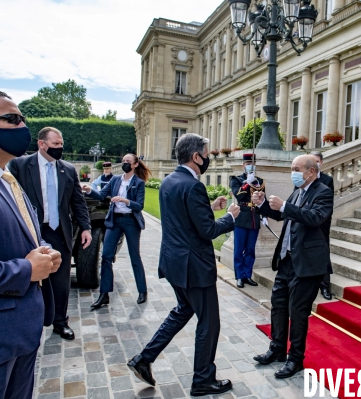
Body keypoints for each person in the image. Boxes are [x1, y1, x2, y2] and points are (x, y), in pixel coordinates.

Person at [127, 133, 240, 396]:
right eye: (206, 152)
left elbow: (185, 218)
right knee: (209, 323)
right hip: (194, 267)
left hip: (174, 262)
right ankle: (202, 380)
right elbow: (208, 231)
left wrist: (209, 206)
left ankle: (144, 359)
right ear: (196, 156)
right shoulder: (193, 185)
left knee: (182, 311)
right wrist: (231, 217)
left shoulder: (169, 181)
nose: (209, 157)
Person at [0, 90, 61, 398]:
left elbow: (23, 232)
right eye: (12, 119)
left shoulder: (3, 175)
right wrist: (27, 269)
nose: (22, 127)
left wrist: (44, 249)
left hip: (18, 334)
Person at [251, 154, 333, 379]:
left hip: (307, 264)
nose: (293, 173)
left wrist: (286, 205)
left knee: (297, 313)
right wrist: (263, 205)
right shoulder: (299, 191)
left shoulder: (323, 192)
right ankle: (277, 349)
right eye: (292, 168)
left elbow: (315, 217)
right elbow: (282, 214)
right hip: (287, 260)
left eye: (297, 168)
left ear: (311, 172)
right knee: (278, 306)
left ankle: (295, 359)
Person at [9, 126, 91, 340]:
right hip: (31, 232)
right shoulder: (19, 165)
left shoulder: (67, 169)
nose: (60, 148)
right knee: (30, 277)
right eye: (55, 144)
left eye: (61, 144)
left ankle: (60, 322)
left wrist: (86, 227)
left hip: (59, 231)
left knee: (61, 281)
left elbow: (77, 201)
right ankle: (28, 321)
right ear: (41, 144)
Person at [82, 154, 152, 308]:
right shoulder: (115, 180)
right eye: (123, 161)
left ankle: (142, 290)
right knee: (106, 255)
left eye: (128, 161)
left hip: (131, 221)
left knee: (135, 256)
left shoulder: (138, 183)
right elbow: (101, 195)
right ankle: (104, 294)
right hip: (115, 220)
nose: (124, 163)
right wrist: (88, 190)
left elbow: (139, 206)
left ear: (134, 165)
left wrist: (125, 200)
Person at [230, 153, 265, 288]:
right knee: (239, 249)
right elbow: (238, 196)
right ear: (243, 165)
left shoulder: (260, 181)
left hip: (254, 217)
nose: (250, 165)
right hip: (241, 216)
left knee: (250, 249)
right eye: (248, 163)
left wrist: (265, 216)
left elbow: (263, 200)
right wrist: (247, 184)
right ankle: (239, 276)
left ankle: (247, 275)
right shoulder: (236, 179)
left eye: (253, 163)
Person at [311, 150, 334, 301]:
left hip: (322, 222)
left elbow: (328, 204)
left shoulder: (327, 180)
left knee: (323, 252)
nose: (315, 164)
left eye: (317, 161)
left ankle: (325, 286)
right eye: (312, 162)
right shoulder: (304, 178)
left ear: (321, 163)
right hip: (306, 220)